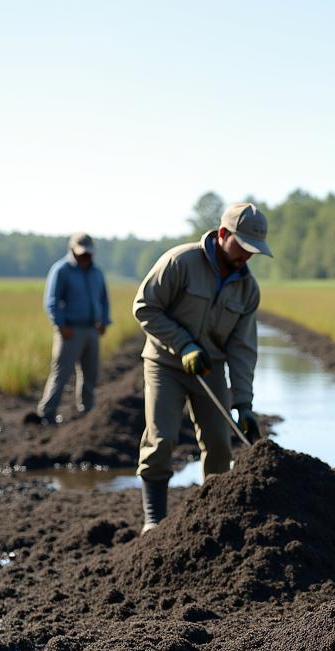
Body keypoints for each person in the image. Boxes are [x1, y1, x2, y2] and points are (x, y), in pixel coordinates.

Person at [133, 202, 272, 532]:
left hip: (210, 370)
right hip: (165, 363)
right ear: (223, 234)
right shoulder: (180, 262)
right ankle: (154, 519)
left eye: (254, 250)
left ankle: (214, 519)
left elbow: (242, 350)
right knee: (162, 438)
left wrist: (244, 405)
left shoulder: (248, 289)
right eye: (243, 247)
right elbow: (145, 307)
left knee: (220, 443)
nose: (247, 257)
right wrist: (183, 345)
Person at [35, 232, 110, 424]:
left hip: (92, 330)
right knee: (62, 373)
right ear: (72, 250)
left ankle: (87, 412)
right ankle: (47, 413)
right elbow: (51, 302)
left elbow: (103, 299)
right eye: (81, 252)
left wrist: (104, 321)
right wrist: (61, 326)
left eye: (88, 252)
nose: (85, 256)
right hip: (70, 331)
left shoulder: (97, 272)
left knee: (90, 374)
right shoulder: (62, 270)